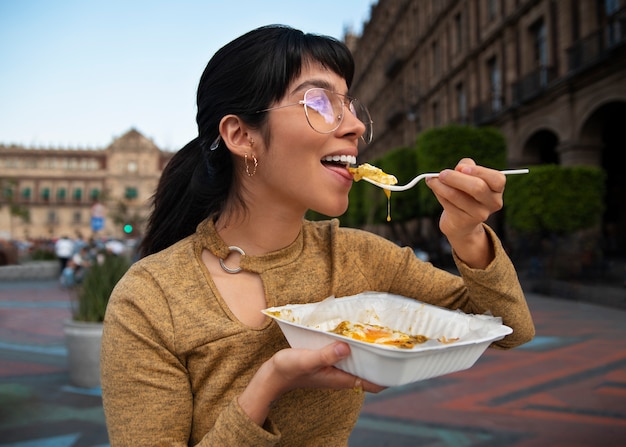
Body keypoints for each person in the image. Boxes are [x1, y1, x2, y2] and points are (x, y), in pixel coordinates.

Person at [100, 25, 535, 446]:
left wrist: (467, 233)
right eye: (321, 103)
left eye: (348, 106)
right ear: (240, 135)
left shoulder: (358, 257)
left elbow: (510, 329)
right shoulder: (149, 297)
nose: (356, 126)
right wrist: (269, 384)